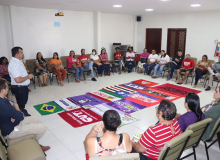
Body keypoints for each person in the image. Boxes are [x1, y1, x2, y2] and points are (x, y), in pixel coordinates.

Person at [0, 79, 50, 151]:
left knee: (35, 119)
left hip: (12, 122)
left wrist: (13, 111)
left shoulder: (3, 98)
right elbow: (21, 116)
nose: (8, 89)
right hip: (11, 131)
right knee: (42, 127)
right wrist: (16, 106)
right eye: (7, 88)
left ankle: (33, 141)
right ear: (2, 90)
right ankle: (35, 144)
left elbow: (11, 103)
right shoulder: (3, 104)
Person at [8, 47, 33, 116]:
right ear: (17, 54)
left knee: (21, 103)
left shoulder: (18, 61)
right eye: (21, 52)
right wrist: (28, 77)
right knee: (21, 105)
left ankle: (20, 114)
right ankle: (22, 117)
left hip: (21, 87)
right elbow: (18, 80)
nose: (23, 53)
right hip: (20, 88)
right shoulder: (15, 64)